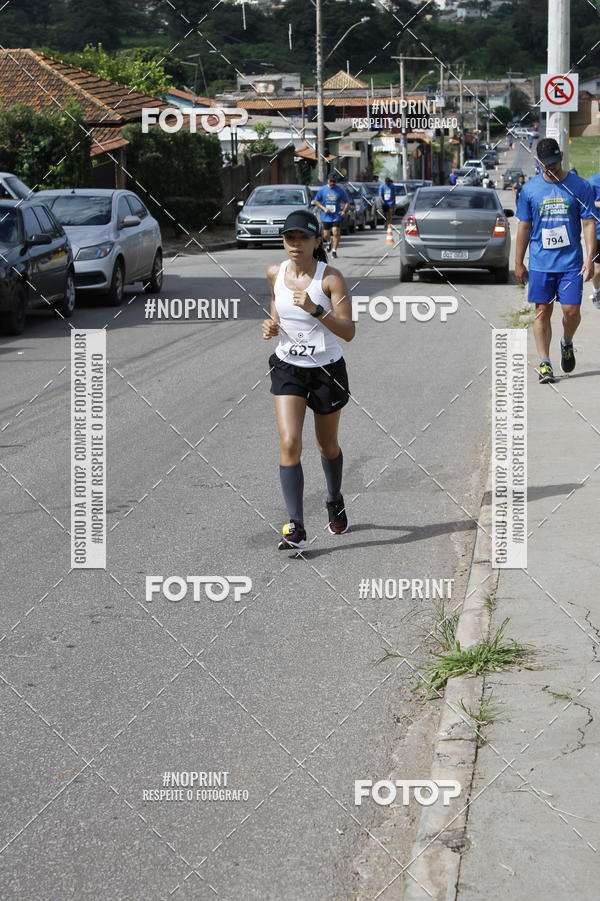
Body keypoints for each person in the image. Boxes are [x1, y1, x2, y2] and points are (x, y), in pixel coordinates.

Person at [262, 209, 355, 550]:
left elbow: (348, 331)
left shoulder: (330, 279)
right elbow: (277, 312)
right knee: (289, 442)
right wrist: (270, 326)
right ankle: (295, 525)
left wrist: (316, 310)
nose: (295, 244)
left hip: (327, 370)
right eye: (290, 237)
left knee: (326, 445)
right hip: (288, 368)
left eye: (303, 237)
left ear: (317, 240)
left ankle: (333, 498)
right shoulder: (275, 273)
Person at [514, 137, 597, 383]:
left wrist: (590, 258)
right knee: (542, 312)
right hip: (541, 263)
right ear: (538, 162)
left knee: (571, 312)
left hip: (571, 263)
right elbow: (524, 227)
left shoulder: (580, 186)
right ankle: (544, 362)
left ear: (561, 157)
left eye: (554, 162)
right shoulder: (530, 190)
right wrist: (518, 262)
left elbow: (589, 222)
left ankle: (566, 341)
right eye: (546, 164)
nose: (551, 168)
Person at [312, 174, 350, 259]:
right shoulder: (322, 189)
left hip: (336, 216)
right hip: (325, 216)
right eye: (331, 181)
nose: (332, 183)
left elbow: (347, 202)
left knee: (336, 232)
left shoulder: (339, 190)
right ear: (327, 180)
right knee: (325, 235)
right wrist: (323, 208)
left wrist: (343, 211)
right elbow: (316, 201)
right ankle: (329, 242)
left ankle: (334, 251)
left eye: (334, 181)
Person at [586, 170, 600, 307]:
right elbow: (585, 204)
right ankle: (597, 291)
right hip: (598, 233)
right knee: (598, 270)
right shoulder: (592, 181)